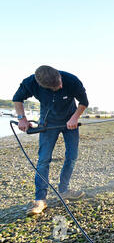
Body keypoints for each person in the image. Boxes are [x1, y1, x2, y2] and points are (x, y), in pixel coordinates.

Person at [13, 65, 89, 216]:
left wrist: (75, 118)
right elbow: (17, 98)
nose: (60, 86)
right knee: (43, 160)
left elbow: (84, 102)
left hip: (70, 123)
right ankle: (40, 199)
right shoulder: (31, 83)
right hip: (48, 124)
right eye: (56, 87)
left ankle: (64, 190)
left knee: (72, 156)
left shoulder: (71, 80)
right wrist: (22, 118)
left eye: (60, 82)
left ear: (58, 75)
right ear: (42, 85)